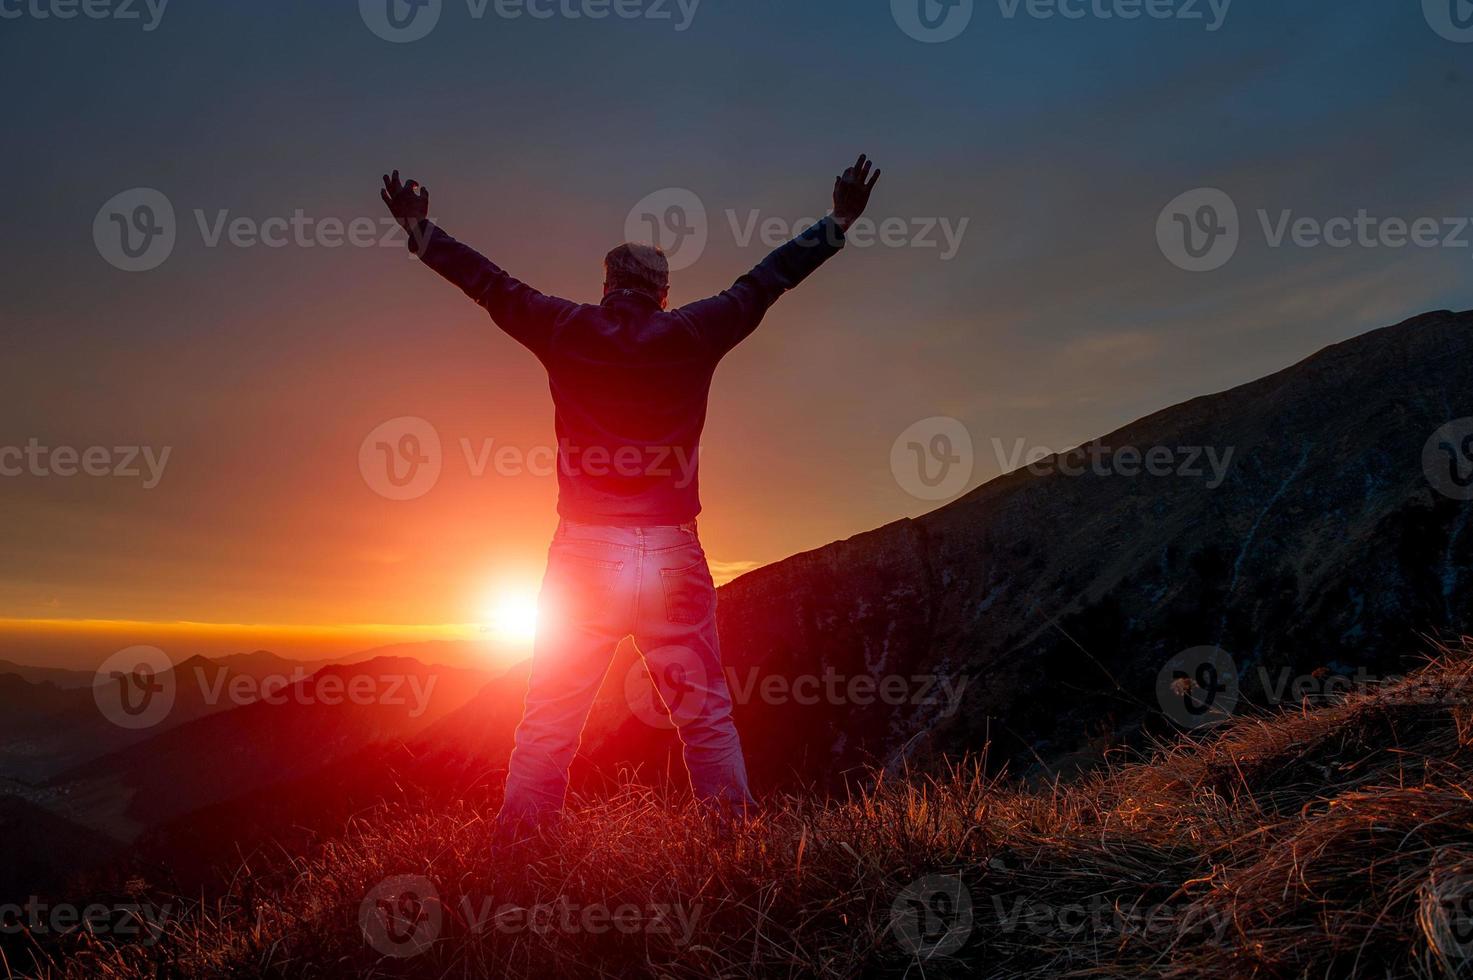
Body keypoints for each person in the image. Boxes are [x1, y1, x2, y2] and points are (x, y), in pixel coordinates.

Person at [380, 155, 881, 830]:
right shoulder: (695, 332)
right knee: (703, 717)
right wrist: (838, 219)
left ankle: (518, 870)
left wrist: (420, 231)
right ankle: (733, 854)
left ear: (607, 285)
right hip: (671, 551)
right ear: (664, 293)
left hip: (583, 553)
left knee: (550, 720)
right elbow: (766, 282)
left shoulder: (562, 327)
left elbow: (489, 284)